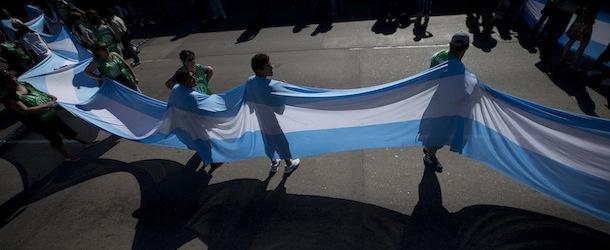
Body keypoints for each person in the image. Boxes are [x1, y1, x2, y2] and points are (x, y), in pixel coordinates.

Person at [0, 70, 99, 162]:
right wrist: (46, 105)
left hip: (47, 113)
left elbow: (38, 92)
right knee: (53, 137)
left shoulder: (24, 84)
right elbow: (25, 111)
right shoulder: (10, 97)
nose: (14, 80)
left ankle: (86, 142)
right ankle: (67, 156)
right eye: (10, 80)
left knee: (64, 127)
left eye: (13, 77)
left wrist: (49, 95)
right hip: (36, 121)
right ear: (5, 84)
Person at [425, 30, 470, 172]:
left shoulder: (438, 55)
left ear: (450, 44)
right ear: (466, 47)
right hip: (443, 107)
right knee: (439, 135)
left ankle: (428, 148)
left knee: (432, 130)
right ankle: (429, 156)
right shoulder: (458, 69)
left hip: (431, 99)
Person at [249, 53, 300, 173]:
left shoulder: (251, 82)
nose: (271, 67)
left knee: (268, 142)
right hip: (271, 122)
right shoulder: (271, 87)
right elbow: (279, 110)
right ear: (260, 70)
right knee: (282, 142)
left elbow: (248, 103)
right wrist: (284, 91)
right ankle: (288, 165)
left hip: (260, 121)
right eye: (267, 65)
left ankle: (274, 163)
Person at [558, 2, 601, 73]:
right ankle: (573, 66)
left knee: (571, 41)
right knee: (583, 45)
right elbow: (590, 16)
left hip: (577, 23)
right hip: (585, 25)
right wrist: (587, 30)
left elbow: (578, 11)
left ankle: (561, 59)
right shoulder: (595, 4)